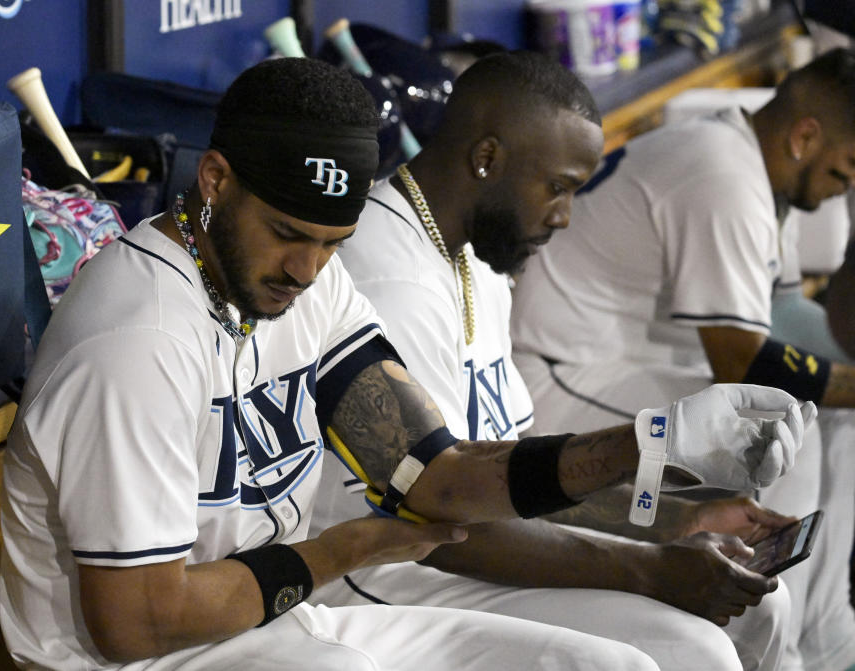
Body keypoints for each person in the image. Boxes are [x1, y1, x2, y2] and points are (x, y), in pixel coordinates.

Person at [0, 57, 808, 671]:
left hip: (273, 616)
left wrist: (647, 445)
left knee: (621, 664)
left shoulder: (306, 288)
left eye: (330, 243)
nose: (306, 270)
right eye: (286, 231)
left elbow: (438, 474)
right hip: (150, 657)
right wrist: (346, 549)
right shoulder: (136, 340)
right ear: (215, 182)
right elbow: (136, 618)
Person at [312, 50, 798, 671]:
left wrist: (677, 518)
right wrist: (650, 567)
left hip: (467, 547)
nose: (565, 215)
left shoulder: (474, 259)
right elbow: (440, 513)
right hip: (387, 574)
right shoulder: (389, 278)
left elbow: (519, 476)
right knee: (690, 648)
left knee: (759, 606)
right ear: (487, 159)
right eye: (559, 187)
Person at [509, 47, 855, 671]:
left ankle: (826, 640)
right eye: (847, 167)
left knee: (834, 420)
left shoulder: (739, 154)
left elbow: (776, 326)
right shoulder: (725, 176)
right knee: (779, 441)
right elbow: (744, 366)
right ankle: (782, 656)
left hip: (614, 359)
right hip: (556, 372)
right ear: (806, 135)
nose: (845, 187)